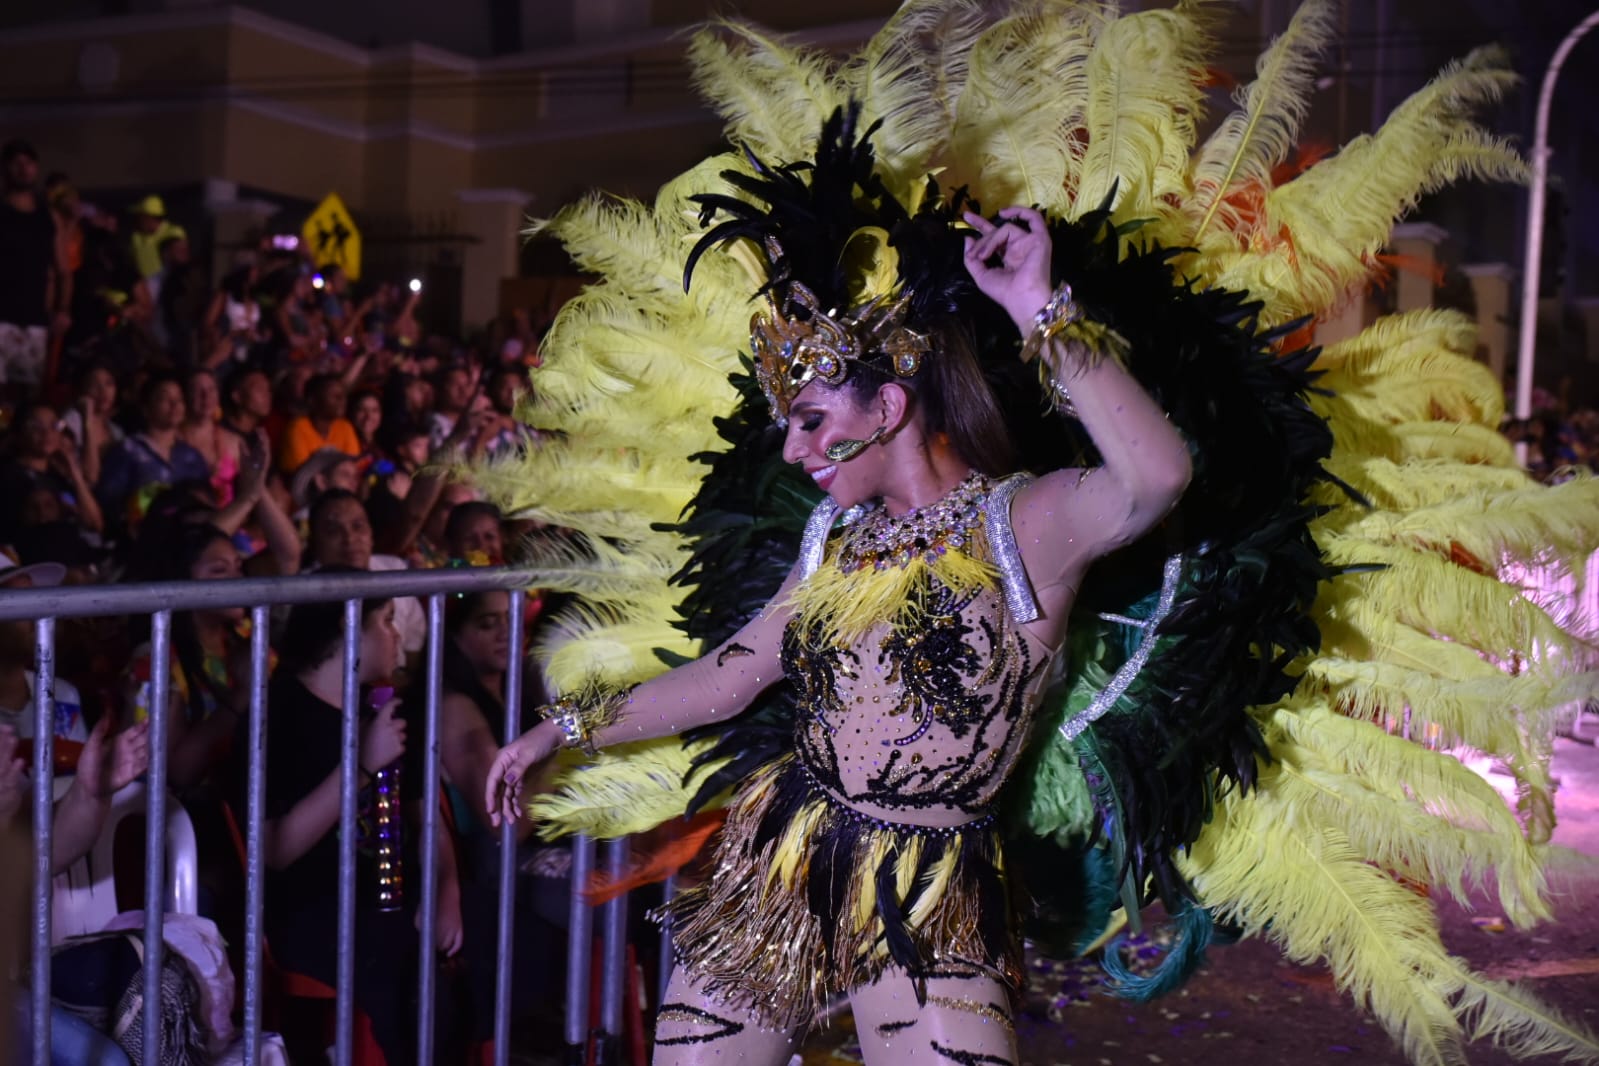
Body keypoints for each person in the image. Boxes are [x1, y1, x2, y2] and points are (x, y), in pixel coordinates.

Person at [488, 200, 1190, 1064]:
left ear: (889, 406)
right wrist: (561, 729)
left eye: (810, 420)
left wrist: (1038, 309)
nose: (792, 451)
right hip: (785, 857)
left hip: (928, 889)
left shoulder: (1024, 523)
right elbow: (727, 675)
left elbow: (1155, 476)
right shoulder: (836, 543)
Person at [232, 580, 461, 1065]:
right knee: (405, 966)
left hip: (393, 899)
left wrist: (447, 893)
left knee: (489, 927)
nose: (397, 634)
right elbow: (273, 849)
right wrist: (360, 766)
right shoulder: (280, 714)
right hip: (315, 910)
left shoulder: (383, 711)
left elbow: (427, 821)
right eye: (385, 620)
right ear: (349, 624)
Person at [0, 139, 68, 388]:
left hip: (34, 319)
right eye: (16, 163)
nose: (23, 169)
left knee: (27, 393)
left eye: (28, 163)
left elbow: (63, 270)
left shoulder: (48, 217)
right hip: (1, 318)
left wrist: (62, 308)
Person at [278, 372, 359, 474]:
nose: (342, 399)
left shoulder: (345, 427)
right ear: (313, 401)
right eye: (334, 395)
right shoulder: (297, 428)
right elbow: (302, 477)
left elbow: (354, 468)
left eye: (343, 395)